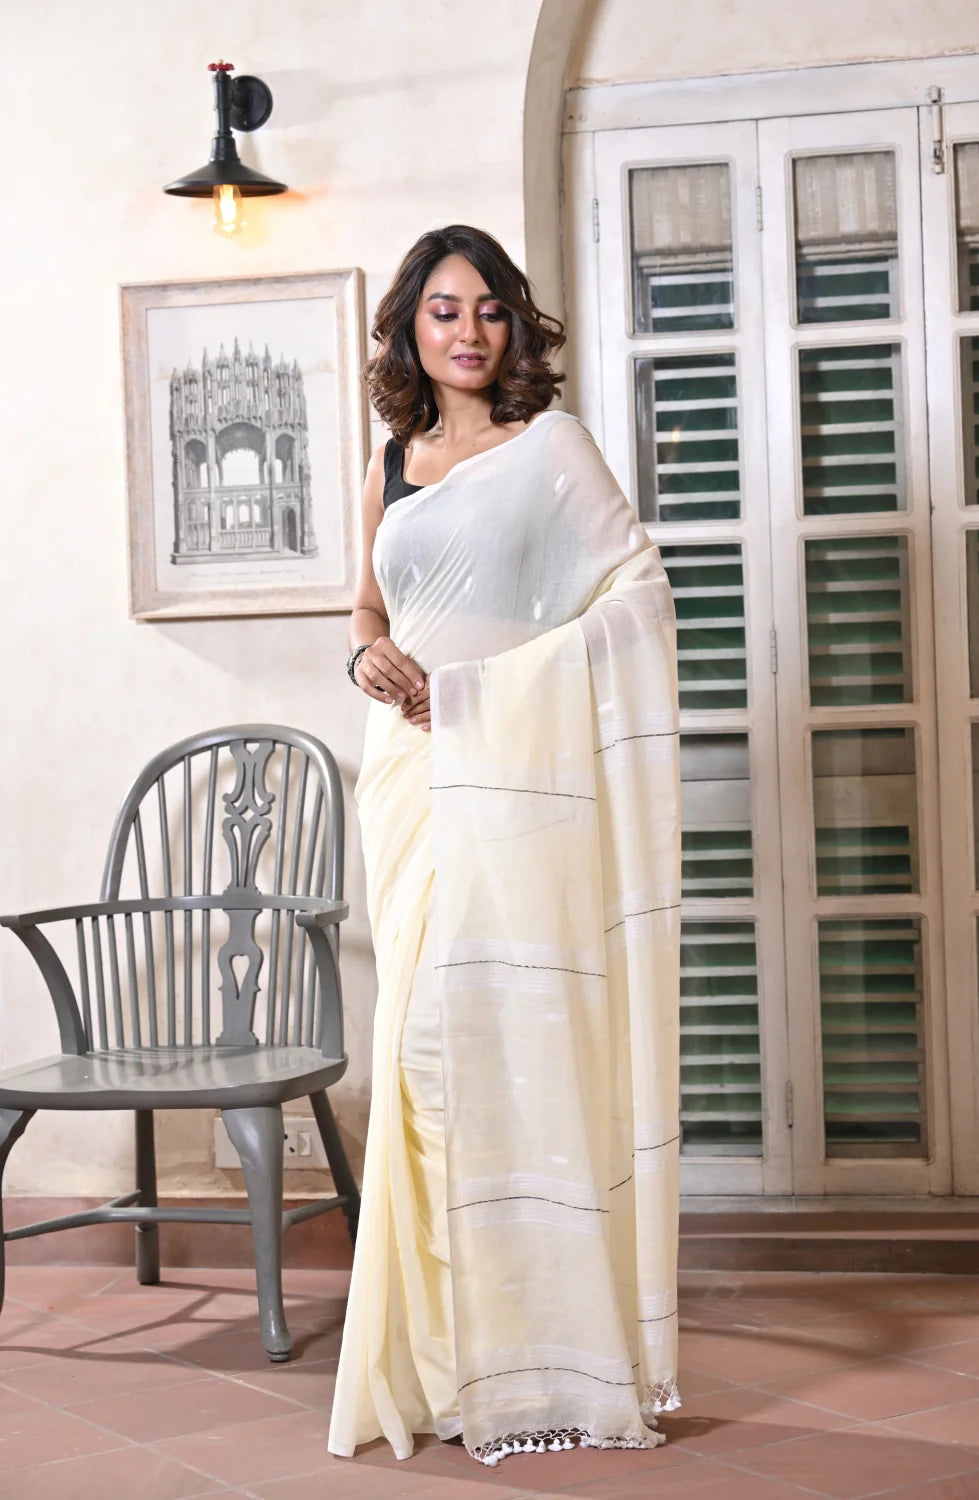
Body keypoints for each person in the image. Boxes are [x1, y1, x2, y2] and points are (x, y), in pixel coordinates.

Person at [328, 224, 682, 1468]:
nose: (468, 331)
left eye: (488, 309)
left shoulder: (550, 448)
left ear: (515, 325)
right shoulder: (391, 461)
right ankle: (445, 1358)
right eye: (443, 310)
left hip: (514, 779)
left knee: (506, 1048)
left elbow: (638, 594)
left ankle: (542, 1358)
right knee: (420, 1060)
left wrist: (486, 693)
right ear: (409, 331)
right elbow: (368, 604)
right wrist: (365, 654)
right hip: (409, 782)